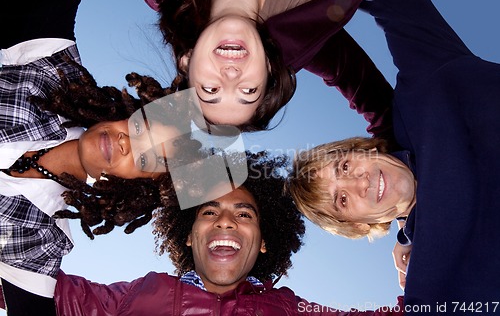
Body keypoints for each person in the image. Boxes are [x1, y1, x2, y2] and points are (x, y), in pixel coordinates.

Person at [289, 0, 500, 312]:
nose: (359, 183)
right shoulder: (432, 287)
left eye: (344, 167)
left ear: (364, 149)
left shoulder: (424, 88)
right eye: (342, 200)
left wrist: (254, 35)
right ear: (360, 226)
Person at [0, 152, 404, 315]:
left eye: (244, 214)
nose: (225, 221)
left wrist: (412, 253)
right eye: (209, 210)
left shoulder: (288, 309)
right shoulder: (135, 298)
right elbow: (35, 285)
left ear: (263, 241)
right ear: (189, 235)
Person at [0, 0, 194, 314]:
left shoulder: (41, 240)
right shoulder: (54, 75)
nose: (125, 142)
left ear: (134, 187)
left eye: (144, 157)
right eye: (138, 127)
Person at [137, 0, 395, 144]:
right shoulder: (300, 30)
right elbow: (375, 101)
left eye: (211, 90)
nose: (231, 76)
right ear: (268, 71)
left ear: (187, 62)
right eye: (248, 92)